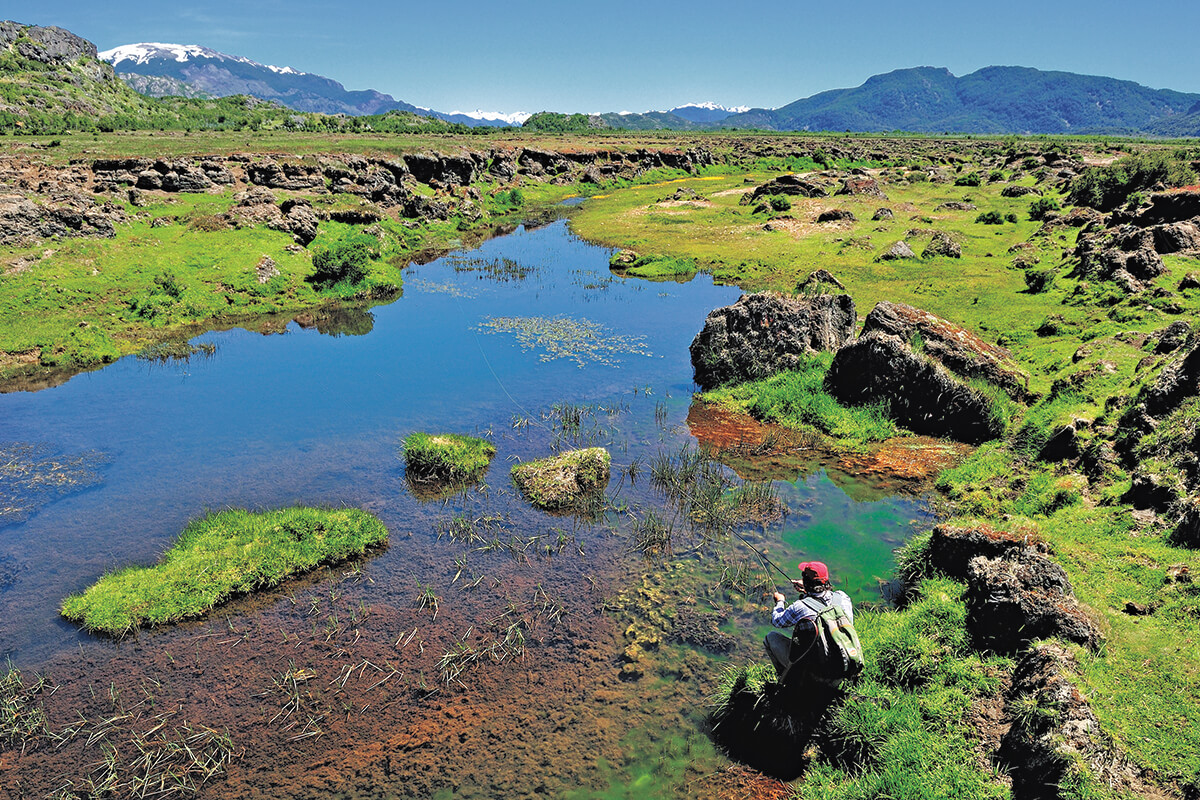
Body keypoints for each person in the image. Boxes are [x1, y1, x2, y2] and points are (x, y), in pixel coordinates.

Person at [763, 560, 854, 684]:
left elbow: (777, 621)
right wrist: (808, 591)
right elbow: (825, 600)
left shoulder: (800, 607)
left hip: (817, 675)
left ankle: (788, 680)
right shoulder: (842, 598)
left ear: (806, 581)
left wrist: (780, 601)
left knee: (770, 638)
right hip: (844, 668)